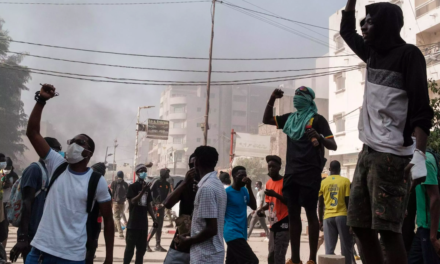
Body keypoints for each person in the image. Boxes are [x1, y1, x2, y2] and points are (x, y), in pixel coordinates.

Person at [341, 2, 434, 264]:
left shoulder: (408, 55)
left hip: (392, 156)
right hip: (367, 152)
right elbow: (347, 32)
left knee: (388, 230)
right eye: (363, 21)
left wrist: (419, 153)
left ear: (385, 24)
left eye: (369, 21)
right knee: (359, 225)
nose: (363, 26)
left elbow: (421, 108)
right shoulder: (371, 53)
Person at [25, 84, 114, 264]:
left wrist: (109, 258)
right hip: (40, 252)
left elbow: (109, 220)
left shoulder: (97, 181)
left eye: (79, 142)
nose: (73, 144)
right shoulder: (57, 164)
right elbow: (32, 133)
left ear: (88, 153)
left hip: (72, 257)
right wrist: (41, 100)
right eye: (72, 141)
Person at [262, 86, 337, 264]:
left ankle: (311, 259)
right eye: (295, 95)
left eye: (300, 95)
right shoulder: (290, 119)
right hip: (292, 173)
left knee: (311, 213)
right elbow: (266, 119)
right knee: (293, 215)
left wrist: (319, 137)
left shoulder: (318, 120)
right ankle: (295, 259)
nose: (296, 98)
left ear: (309, 99)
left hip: (310, 173)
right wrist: (272, 98)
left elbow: (333, 145)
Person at [9, 137, 62, 263]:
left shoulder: (49, 172)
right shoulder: (34, 170)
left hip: (44, 234)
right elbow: (27, 203)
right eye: (57, 150)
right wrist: (22, 237)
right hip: (32, 234)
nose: (60, 153)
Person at [176, 146, 227, 264]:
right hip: (212, 254)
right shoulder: (216, 184)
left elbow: (211, 229)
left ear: (197, 162)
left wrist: (188, 241)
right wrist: (191, 232)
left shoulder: (206, 188)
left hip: (205, 256)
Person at [163, 153, 199, 264]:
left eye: (196, 165)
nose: (193, 168)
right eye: (190, 165)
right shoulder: (185, 184)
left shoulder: (208, 186)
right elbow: (167, 203)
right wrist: (185, 182)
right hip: (183, 235)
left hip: (201, 238)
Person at [318, 161, 355, 264]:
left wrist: (320, 220)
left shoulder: (323, 182)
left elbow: (320, 204)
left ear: (330, 170)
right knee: (346, 248)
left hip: (328, 217)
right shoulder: (345, 181)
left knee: (329, 249)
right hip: (342, 216)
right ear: (340, 169)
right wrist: (351, 221)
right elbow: (348, 202)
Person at [408, 150, 440, 264]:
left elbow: (435, 198)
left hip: (431, 229)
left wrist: (433, 236)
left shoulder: (425, 162)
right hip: (422, 227)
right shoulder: (417, 161)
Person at [257, 155, 289, 264]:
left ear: (279, 167)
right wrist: (261, 209)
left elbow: (290, 202)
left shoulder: (285, 182)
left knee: (279, 256)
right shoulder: (269, 183)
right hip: (273, 224)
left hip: (284, 223)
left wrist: (275, 194)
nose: (271, 169)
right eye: (269, 166)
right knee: (271, 256)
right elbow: (269, 203)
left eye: (273, 166)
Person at [123, 164, 158, 264]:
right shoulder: (133, 187)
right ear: (137, 173)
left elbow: (148, 205)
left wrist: (154, 219)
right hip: (133, 225)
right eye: (142, 171)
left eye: (145, 171)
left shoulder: (147, 188)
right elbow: (132, 202)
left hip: (143, 225)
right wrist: (142, 191)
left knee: (141, 252)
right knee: (129, 250)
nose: (144, 173)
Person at [223, 166, 258, 264]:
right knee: (252, 261)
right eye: (241, 175)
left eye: (245, 175)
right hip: (232, 232)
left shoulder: (244, 190)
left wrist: (249, 187)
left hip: (241, 232)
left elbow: (254, 206)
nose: (244, 178)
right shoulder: (227, 193)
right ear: (233, 176)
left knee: (231, 261)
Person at [147, 168, 171, 252]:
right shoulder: (157, 182)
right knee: (155, 225)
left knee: (160, 226)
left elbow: (166, 196)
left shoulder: (167, 184)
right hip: (156, 207)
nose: (169, 174)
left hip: (162, 207)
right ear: (163, 173)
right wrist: (154, 203)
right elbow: (149, 192)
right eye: (167, 173)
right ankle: (146, 243)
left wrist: (164, 204)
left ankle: (157, 245)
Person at [2, 157, 19, 248]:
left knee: (5, 228)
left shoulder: (14, 176)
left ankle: (3, 251)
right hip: (1, 203)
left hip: (8, 204)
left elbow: (17, 189)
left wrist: (11, 185)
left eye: (9, 168)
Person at [111, 171, 129, 239]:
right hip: (122, 202)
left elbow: (112, 193)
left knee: (116, 217)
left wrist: (111, 200)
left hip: (115, 202)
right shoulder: (125, 184)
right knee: (120, 215)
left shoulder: (114, 182)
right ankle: (116, 229)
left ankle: (120, 233)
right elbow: (127, 193)